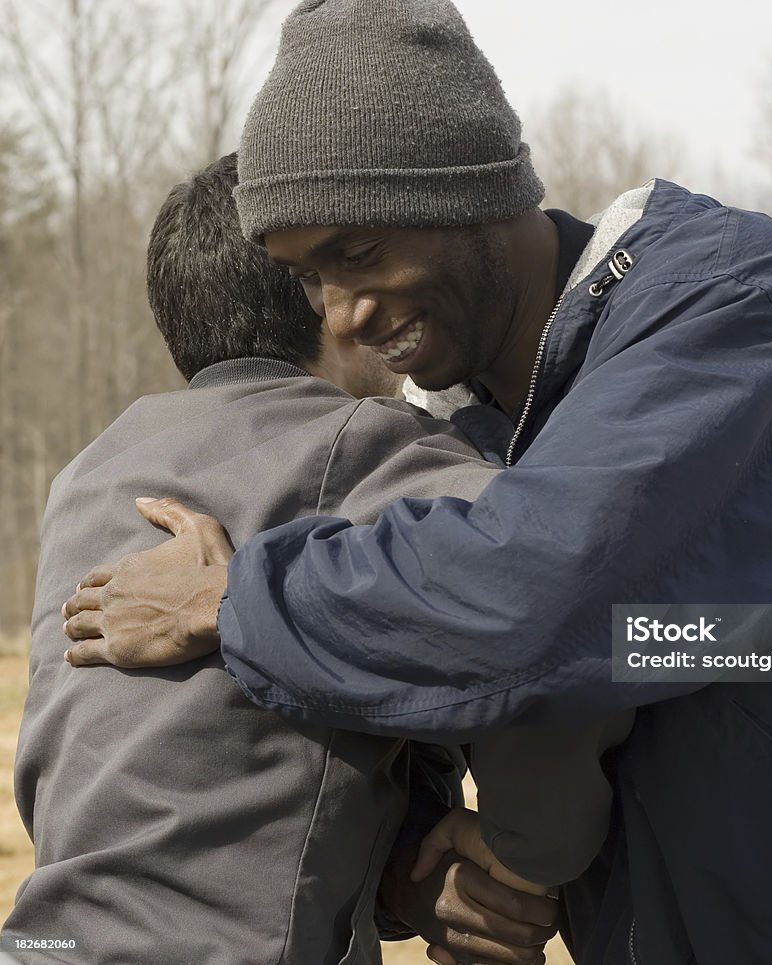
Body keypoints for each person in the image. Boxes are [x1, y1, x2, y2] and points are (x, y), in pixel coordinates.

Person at [59, 2, 772, 963]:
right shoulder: (445, 433)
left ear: (467, 193)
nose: (342, 316)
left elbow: (534, 596)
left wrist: (237, 597)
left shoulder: (715, 294)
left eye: (358, 252)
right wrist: (435, 868)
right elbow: (574, 666)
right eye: (308, 279)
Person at [4, 152, 590, 965]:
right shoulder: (358, 443)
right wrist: (526, 852)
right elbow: (557, 575)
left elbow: (207, 753)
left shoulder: (90, 473)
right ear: (322, 299)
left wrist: (403, 863)